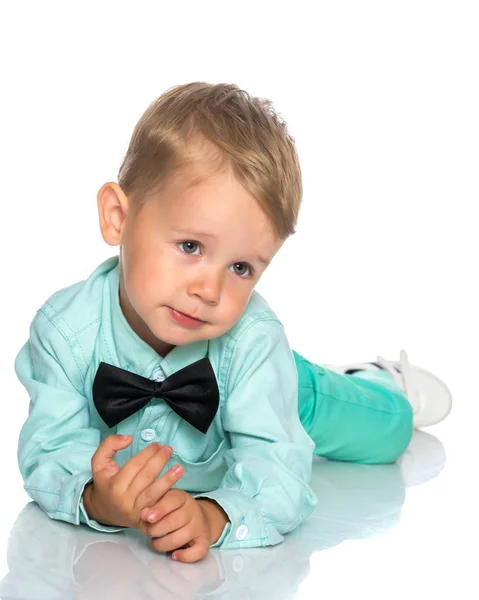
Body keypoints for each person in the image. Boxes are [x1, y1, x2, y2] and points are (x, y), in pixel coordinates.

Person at [14, 82, 452, 564]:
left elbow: (280, 474)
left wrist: (213, 516)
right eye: (190, 247)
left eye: (241, 268)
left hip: (268, 383)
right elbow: (48, 452)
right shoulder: (63, 332)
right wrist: (98, 499)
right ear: (118, 217)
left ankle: (380, 382)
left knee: (386, 432)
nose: (210, 290)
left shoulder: (252, 340)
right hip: (235, 377)